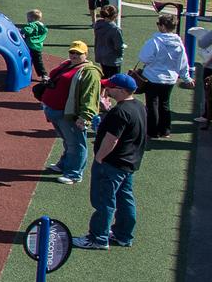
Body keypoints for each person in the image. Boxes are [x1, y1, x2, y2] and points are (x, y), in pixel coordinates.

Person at [73, 73, 145, 250]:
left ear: (120, 90)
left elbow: (112, 139)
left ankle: (98, 238)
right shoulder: (138, 106)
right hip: (128, 163)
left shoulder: (120, 112)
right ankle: (123, 235)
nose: (107, 89)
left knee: (104, 201)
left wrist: (99, 158)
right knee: (125, 199)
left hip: (112, 164)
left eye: (110, 87)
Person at [49, 40, 104, 184]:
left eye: (78, 53)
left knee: (76, 143)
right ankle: (65, 164)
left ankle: (74, 173)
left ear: (86, 54)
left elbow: (90, 96)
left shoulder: (89, 72)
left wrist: (84, 116)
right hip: (57, 111)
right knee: (68, 141)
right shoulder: (67, 64)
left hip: (71, 113)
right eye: (72, 52)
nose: (74, 55)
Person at [135, 13, 191, 139]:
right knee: (165, 104)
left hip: (153, 77)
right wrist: (186, 77)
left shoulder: (154, 41)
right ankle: (165, 130)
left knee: (152, 104)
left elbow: (144, 58)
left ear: (163, 26)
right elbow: (182, 62)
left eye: (158, 24)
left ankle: (152, 131)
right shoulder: (178, 43)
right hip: (170, 79)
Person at [93, 4, 125, 76]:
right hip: (112, 59)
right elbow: (118, 46)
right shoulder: (115, 30)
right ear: (115, 16)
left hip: (101, 55)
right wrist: (121, 54)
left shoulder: (98, 24)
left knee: (105, 75)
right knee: (114, 81)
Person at [20, 10, 48, 82]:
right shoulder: (43, 26)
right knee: (38, 61)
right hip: (38, 46)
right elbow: (45, 32)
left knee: (25, 58)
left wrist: (21, 31)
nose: (27, 20)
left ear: (32, 19)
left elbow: (27, 30)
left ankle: (23, 71)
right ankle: (44, 75)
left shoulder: (32, 25)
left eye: (28, 18)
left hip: (29, 45)